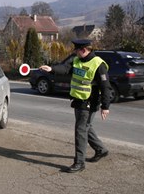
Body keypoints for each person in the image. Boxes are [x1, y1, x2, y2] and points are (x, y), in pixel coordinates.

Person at [39, 39, 111, 173]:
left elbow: (106, 87)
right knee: (85, 128)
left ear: (84, 50)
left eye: (77, 50)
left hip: (90, 101)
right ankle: (101, 150)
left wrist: (105, 106)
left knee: (80, 130)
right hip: (78, 99)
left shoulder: (98, 64)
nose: (75, 52)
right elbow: (65, 68)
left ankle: (79, 163)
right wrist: (51, 69)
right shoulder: (76, 59)